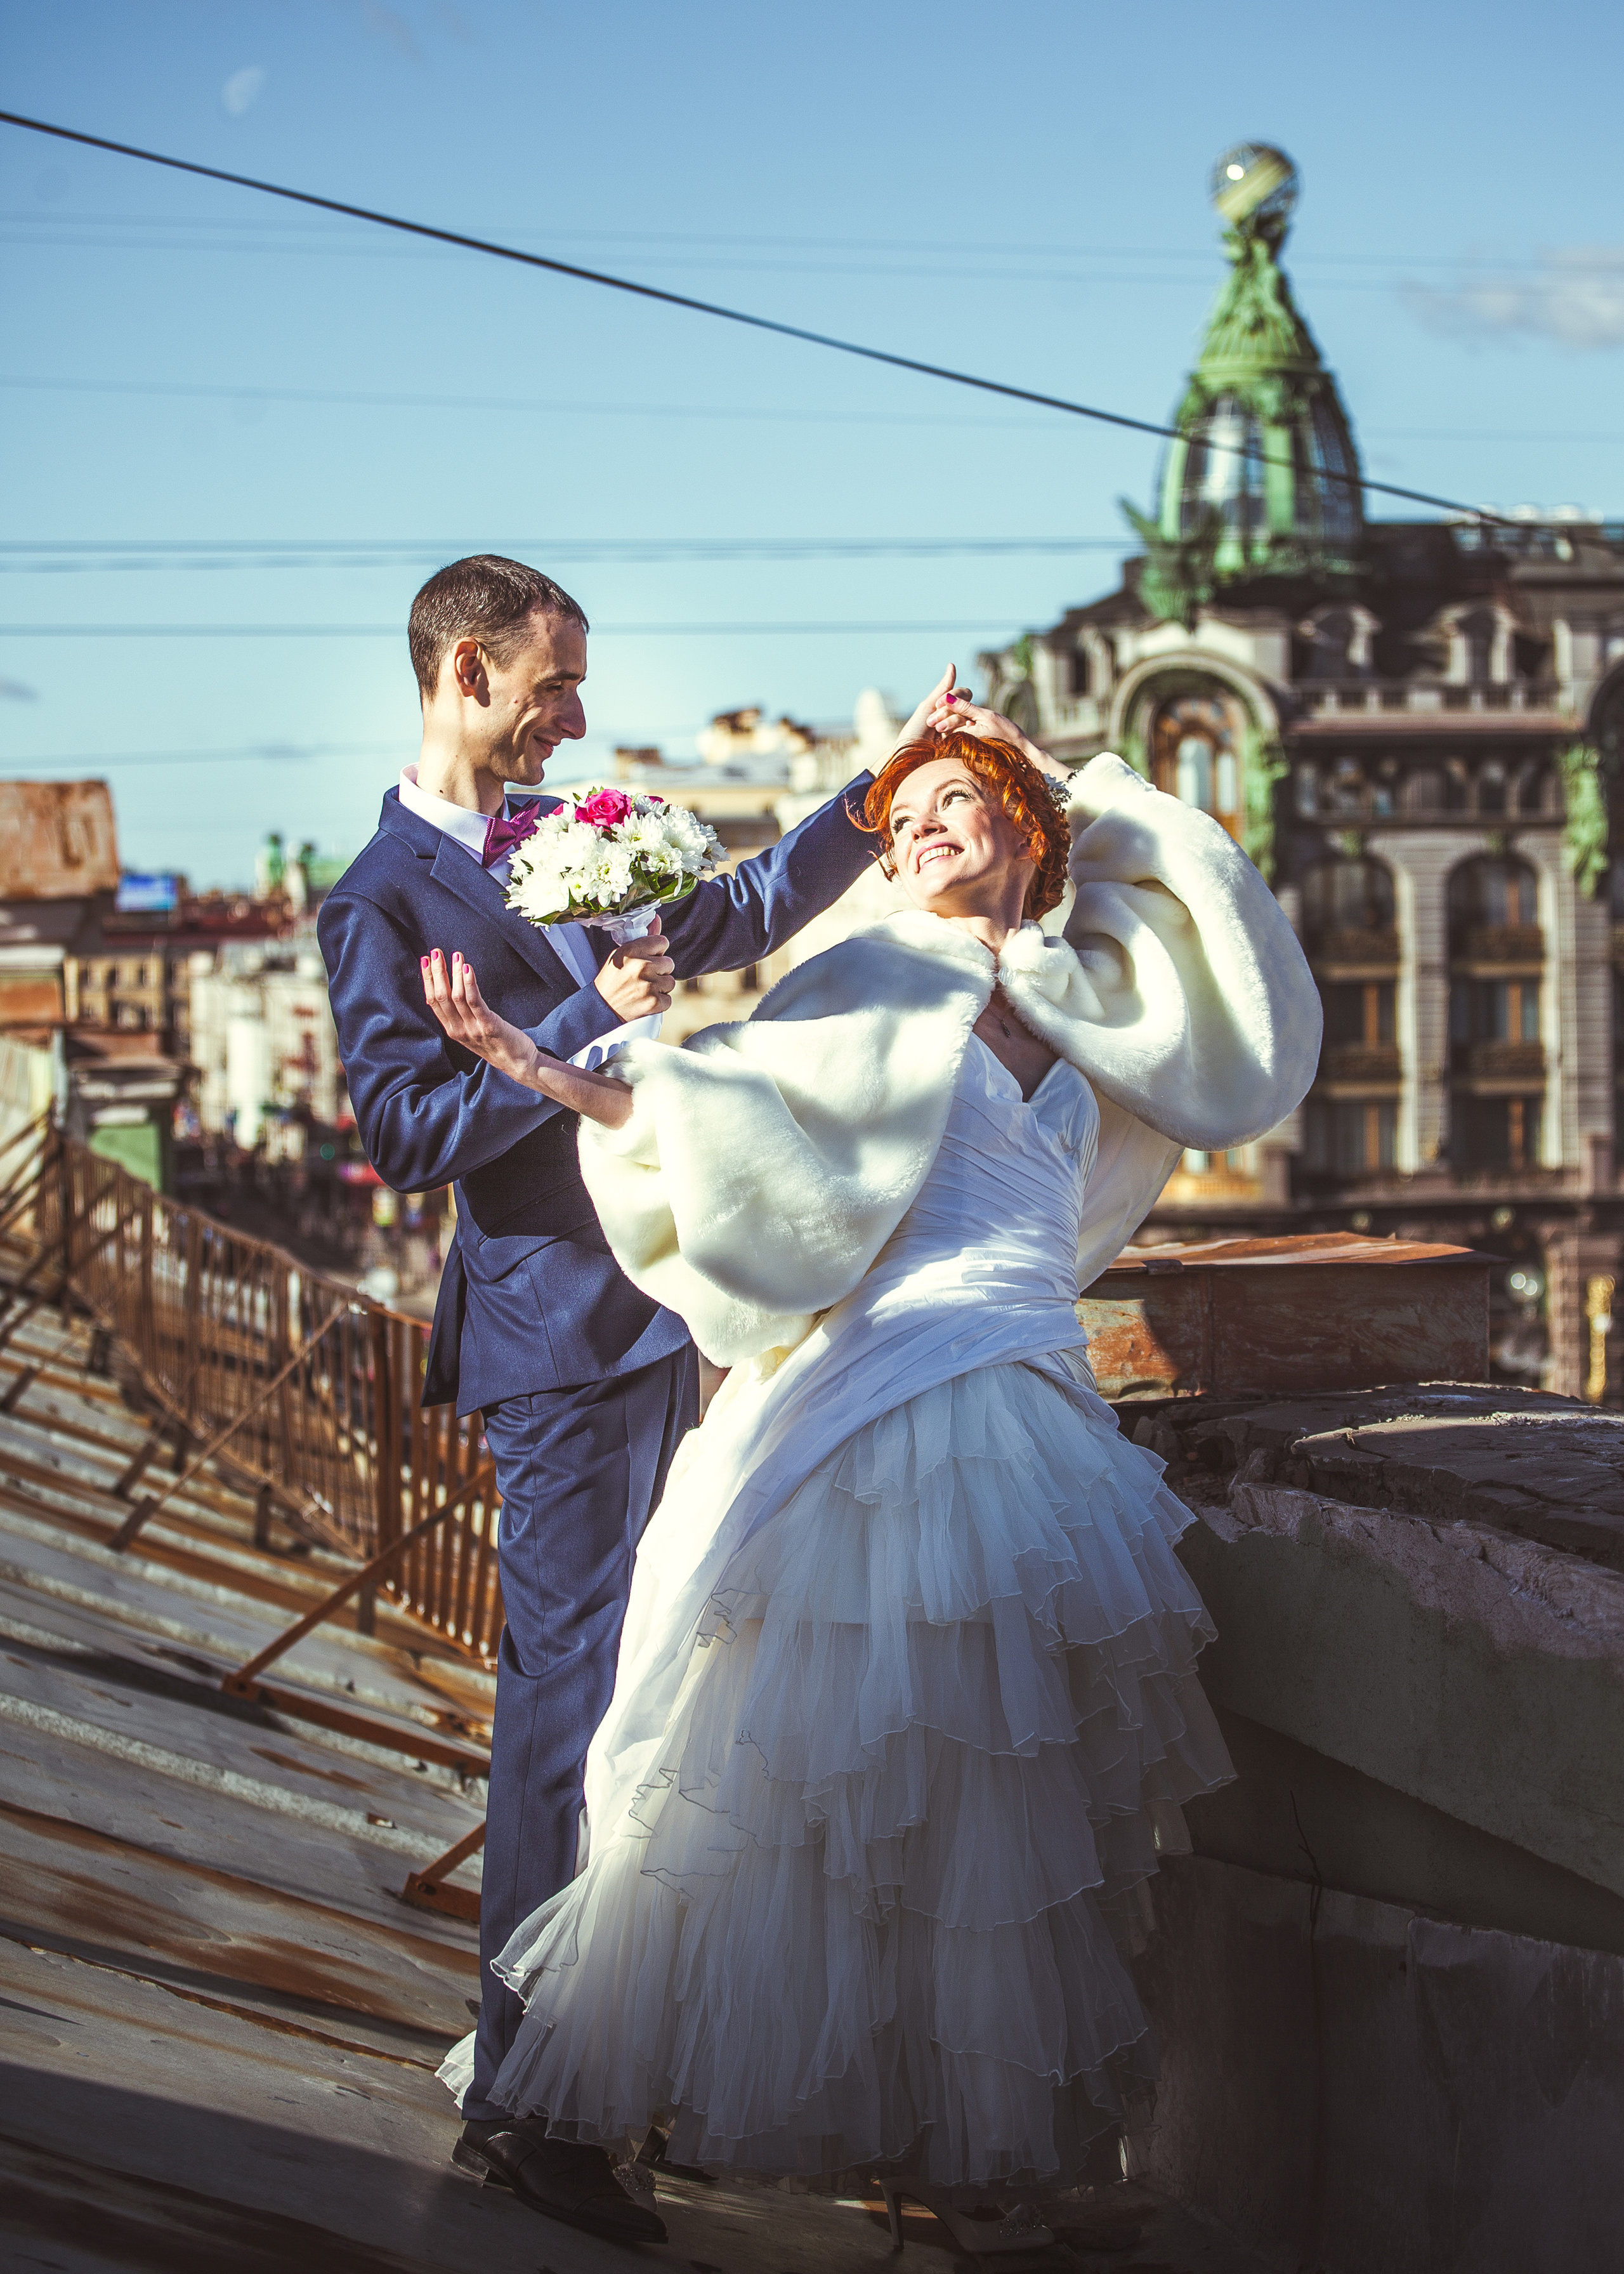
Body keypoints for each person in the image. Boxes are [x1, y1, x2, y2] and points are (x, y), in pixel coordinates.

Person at [419, 698, 1321, 2240]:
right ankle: (607, 2113)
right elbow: (718, 1119)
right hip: (870, 1405)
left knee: (1001, 1784)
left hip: (1030, 1408)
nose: (914, 834)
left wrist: (1029, 755)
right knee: (798, 1784)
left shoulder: (1100, 987)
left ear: (1029, 830)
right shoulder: (855, 973)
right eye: (898, 823)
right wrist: (542, 1064)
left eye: (952, 808)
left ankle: (984, 2171)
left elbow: (1214, 896)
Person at [318, 556, 931, 2245]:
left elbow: (725, 916)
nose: (580, 714)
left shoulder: (559, 833)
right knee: (565, 1716)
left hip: (672, 1313)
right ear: (462, 673)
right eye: (552, 683)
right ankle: (528, 2105)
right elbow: (409, 1132)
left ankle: (598, 2055)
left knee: (660, 1705)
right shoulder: (376, 897)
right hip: (559, 1348)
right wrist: (593, 1006)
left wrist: (874, 803)